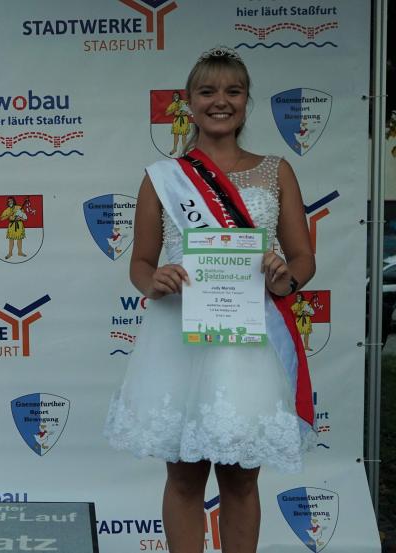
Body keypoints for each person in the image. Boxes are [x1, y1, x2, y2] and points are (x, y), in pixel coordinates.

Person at [104, 46, 316, 553]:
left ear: (246, 101)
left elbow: (303, 259)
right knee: (183, 477)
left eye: (233, 91)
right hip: (180, 337)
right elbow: (140, 263)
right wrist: (154, 280)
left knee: (242, 479)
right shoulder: (163, 178)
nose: (221, 101)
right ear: (189, 103)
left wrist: (283, 277)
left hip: (249, 342)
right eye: (208, 91)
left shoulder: (276, 171)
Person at [165, 91, 192, 156]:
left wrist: (187, 112)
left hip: (184, 120)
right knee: (176, 135)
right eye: (174, 96)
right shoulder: (173, 104)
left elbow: (190, 109)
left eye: (177, 95)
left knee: (184, 135)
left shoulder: (183, 102)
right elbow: (166, 113)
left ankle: (184, 149)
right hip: (177, 121)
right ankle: (175, 149)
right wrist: (173, 110)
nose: (176, 97)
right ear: (173, 97)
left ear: (179, 96)